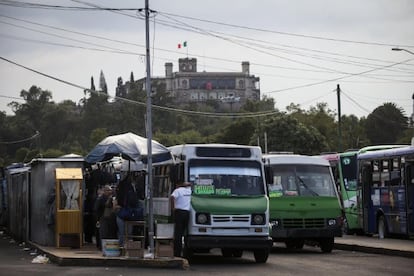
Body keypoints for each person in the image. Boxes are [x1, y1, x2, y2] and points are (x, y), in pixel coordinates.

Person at [115, 172, 145, 246]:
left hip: (123, 215)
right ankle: (128, 248)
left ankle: (122, 248)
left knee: (122, 233)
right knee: (128, 233)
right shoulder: (132, 191)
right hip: (128, 216)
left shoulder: (124, 187)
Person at [170, 181, 192, 257]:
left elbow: (172, 197)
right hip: (187, 213)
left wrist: (173, 208)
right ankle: (186, 251)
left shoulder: (178, 190)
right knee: (185, 231)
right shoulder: (190, 191)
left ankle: (177, 253)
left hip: (179, 212)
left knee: (178, 233)